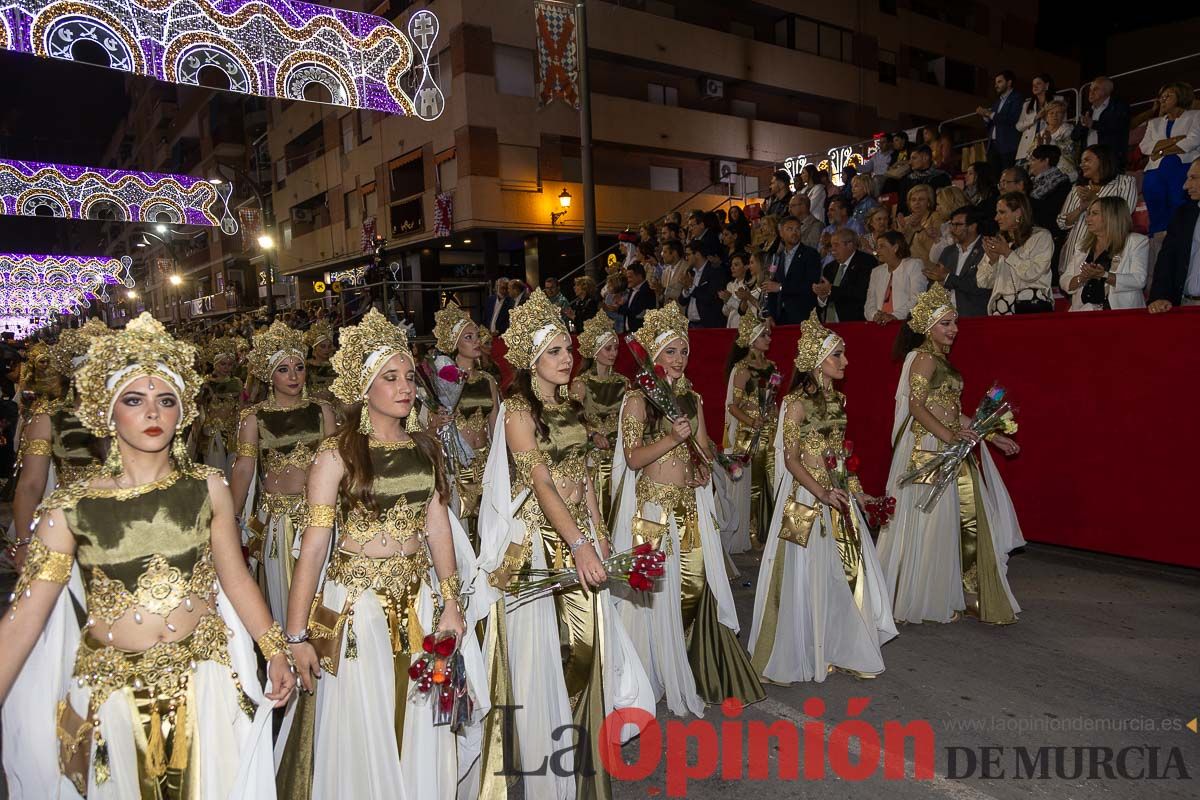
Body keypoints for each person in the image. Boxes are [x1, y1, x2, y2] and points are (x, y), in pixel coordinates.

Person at [0, 313, 292, 799]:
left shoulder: (207, 487)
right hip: (115, 700)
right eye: (134, 400)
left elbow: (235, 578)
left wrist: (274, 647)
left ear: (182, 412)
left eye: (166, 400)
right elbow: (25, 619)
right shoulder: (70, 508)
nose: (152, 413)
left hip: (207, 684)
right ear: (108, 411)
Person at [280, 309, 487, 800]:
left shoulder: (425, 447)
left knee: (421, 713)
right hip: (358, 609)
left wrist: (452, 602)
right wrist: (295, 635)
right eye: (388, 378)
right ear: (364, 387)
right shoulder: (337, 454)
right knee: (365, 718)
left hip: (417, 602)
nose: (404, 387)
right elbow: (312, 550)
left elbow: (438, 528)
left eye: (408, 377)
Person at [476, 291, 654, 799]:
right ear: (532, 359)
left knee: (589, 649)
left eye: (566, 349)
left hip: (578, 533)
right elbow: (542, 483)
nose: (566, 358)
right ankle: (545, 760)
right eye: (554, 351)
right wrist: (577, 544)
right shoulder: (515, 410)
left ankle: (579, 752)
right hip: (540, 543)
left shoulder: (572, 404)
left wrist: (598, 531)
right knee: (552, 655)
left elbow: (585, 474)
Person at [611, 303, 765, 715]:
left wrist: (704, 467)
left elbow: (702, 445)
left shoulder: (691, 396)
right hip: (654, 508)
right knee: (650, 596)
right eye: (670, 352)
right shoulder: (636, 400)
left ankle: (687, 665)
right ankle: (647, 674)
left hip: (689, 507)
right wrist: (671, 439)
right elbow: (632, 458)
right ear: (655, 356)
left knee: (694, 589)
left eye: (684, 351)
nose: (679, 359)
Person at [748, 312, 896, 683]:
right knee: (798, 578)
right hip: (804, 498)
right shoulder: (795, 403)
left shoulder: (838, 402)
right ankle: (791, 654)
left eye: (843, 355)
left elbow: (842, 454)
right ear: (817, 363)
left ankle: (839, 646)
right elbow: (791, 459)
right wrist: (821, 493)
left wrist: (857, 493)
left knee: (844, 574)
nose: (845, 362)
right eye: (837, 356)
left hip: (837, 496)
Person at [878, 285, 1024, 625]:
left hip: (951, 446)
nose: (953, 329)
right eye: (945, 323)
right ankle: (924, 593)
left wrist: (992, 436)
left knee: (960, 521)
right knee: (932, 523)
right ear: (928, 327)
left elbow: (952, 411)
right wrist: (949, 437)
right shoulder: (923, 358)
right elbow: (916, 406)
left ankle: (959, 590)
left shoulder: (941, 361)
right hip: (929, 448)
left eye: (954, 322)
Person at [230, 321, 337, 621]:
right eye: (283, 369)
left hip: (319, 518)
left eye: (299, 367)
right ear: (269, 375)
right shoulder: (254, 418)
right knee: (283, 599)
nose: (293, 375)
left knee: (321, 595)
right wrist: (230, 520)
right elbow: (243, 470)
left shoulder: (322, 410)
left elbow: (337, 463)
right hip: (277, 521)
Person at [9, 321, 110, 563]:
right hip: (72, 527)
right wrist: (24, 541)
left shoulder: (131, 416)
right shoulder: (49, 420)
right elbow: (30, 485)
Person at [430, 304, 499, 548]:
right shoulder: (442, 381)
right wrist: (437, 420)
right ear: (454, 344)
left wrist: (501, 461)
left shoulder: (488, 380)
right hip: (458, 463)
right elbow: (428, 423)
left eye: (477, 336)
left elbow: (496, 426)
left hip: (485, 461)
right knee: (459, 524)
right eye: (468, 337)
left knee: (488, 523)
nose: (476, 341)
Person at [721, 314, 779, 554]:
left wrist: (774, 415)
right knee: (754, 484)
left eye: (768, 334)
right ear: (752, 339)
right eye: (763, 335)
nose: (769, 338)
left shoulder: (772, 367)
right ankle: (752, 531)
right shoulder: (742, 369)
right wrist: (752, 421)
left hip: (770, 432)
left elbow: (773, 398)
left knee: (770, 481)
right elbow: (732, 406)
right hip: (750, 435)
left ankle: (770, 531)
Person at [571, 313, 629, 523]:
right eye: (608, 348)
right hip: (594, 454)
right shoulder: (581, 383)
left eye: (615, 348)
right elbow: (573, 418)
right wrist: (593, 434)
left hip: (620, 453)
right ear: (595, 352)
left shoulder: (623, 382)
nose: (613, 353)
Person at [1055, 145, 1138, 278]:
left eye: (1087, 160)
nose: (1082, 165)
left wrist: (1094, 199)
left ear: (1103, 160)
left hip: (1106, 258)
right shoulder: (1078, 188)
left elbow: (1123, 213)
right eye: (1081, 161)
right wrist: (1081, 208)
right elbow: (1061, 222)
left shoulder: (1125, 182)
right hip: (1073, 256)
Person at [1060, 197, 1148, 311]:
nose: (1087, 219)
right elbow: (1064, 281)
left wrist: (1104, 275)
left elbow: (1139, 280)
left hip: (1120, 315)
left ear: (1112, 216)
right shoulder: (1082, 245)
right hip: (1083, 312)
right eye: (1088, 214)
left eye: (1094, 213)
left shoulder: (1136, 241)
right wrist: (1081, 278)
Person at [1140, 82, 1200, 236]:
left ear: (1181, 97)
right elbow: (1145, 147)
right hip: (1154, 172)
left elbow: (1192, 141)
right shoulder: (1154, 123)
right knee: (1157, 210)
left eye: (1168, 96)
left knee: (1179, 208)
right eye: (1161, 97)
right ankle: (1159, 241)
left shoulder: (1196, 116)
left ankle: (1182, 237)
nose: (1162, 100)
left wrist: (1159, 150)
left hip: (1182, 169)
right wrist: (1174, 140)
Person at [979, 192, 1055, 315]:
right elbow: (983, 282)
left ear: (1018, 212)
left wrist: (1008, 253)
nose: (996, 218)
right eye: (997, 212)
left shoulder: (1041, 237)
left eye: (1002, 212)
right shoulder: (999, 241)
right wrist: (993, 262)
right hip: (1001, 310)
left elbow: (1032, 273)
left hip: (1031, 306)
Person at [1148, 160, 1200, 313]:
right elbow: (1167, 260)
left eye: (1193, 178)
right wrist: (1159, 296)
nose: (1185, 185)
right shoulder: (1183, 214)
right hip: (1185, 306)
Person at [193, 336, 245, 477]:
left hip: (233, 433)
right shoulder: (206, 384)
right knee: (216, 472)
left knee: (233, 471)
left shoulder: (237, 383)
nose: (226, 368)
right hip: (213, 433)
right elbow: (199, 407)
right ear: (215, 364)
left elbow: (241, 406)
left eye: (229, 364)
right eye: (223, 364)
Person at [926, 205, 992, 318]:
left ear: (972, 227)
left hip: (974, 318)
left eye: (957, 225)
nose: (952, 229)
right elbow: (934, 284)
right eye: (951, 224)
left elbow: (981, 287)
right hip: (946, 319)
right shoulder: (948, 252)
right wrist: (937, 281)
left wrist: (947, 278)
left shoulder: (987, 249)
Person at [763, 215, 823, 324]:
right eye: (790, 229)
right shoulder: (777, 257)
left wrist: (781, 287)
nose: (794, 232)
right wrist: (770, 314)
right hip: (780, 318)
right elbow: (771, 287)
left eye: (797, 229)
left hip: (804, 317)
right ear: (781, 233)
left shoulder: (810, 254)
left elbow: (811, 285)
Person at [865, 231, 927, 324]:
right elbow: (870, 302)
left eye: (882, 246)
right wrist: (874, 315)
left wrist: (895, 316)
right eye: (877, 247)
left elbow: (917, 298)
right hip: (879, 324)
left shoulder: (914, 265)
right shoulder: (876, 272)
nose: (877, 251)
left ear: (895, 248)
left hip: (904, 324)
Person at [817, 228, 876, 322]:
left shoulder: (866, 262)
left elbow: (861, 293)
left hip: (854, 323)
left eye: (836, 245)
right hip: (830, 324)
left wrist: (831, 289)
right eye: (832, 245)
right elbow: (824, 301)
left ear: (850, 245)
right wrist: (822, 296)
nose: (833, 249)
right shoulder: (829, 267)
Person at [1073, 76, 1131, 172]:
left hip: (1109, 162)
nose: (1091, 92)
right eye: (1090, 89)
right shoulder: (1088, 111)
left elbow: (1117, 128)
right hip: (1088, 163)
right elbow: (1074, 136)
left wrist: (1093, 124)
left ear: (1107, 91)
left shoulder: (1119, 107)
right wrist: (1083, 125)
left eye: (1095, 89)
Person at [978, 69, 1023, 171]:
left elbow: (1012, 119)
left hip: (1007, 145)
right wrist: (985, 117)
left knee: (1007, 175)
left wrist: (989, 113)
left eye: (999, 82)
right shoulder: (997, 102)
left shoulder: (1017, 97)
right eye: (995, 82)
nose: (996, 85)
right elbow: (992, 122)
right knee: (993, 177)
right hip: (993, 145)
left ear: (1009, 82)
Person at [678, 241, 729, 328]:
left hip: (708, 325)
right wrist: (686, 289)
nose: (686, 258)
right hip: (690, 324)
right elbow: (682, 301)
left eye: (688, 254)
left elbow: (710, 297)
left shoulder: (715, 271)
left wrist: (691, 286)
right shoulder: (690, 272)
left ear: (697, 254)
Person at [1027, 144, 1073, 235]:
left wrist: (1026, 199)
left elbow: (1050, 210)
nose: (1029, 163)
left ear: (1045, 161)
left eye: (1033, 160)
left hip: (1049, 232)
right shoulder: (1032, 183)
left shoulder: (1061, 183)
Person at [898, 184, 943, 269]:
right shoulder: (905, 221)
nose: (916, 203)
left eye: (921, 199)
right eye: (913, 200)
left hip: (929, 268)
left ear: (929, 202)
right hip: (908, 268)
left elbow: (936, 246)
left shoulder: (936, 217)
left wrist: (918, 228)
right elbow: (899, 250)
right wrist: (903, 231)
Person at [1015, 73, 1057, 163]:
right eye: (1033, 85)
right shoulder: (1027, 104)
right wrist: (1034, 118)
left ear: (1046, 85)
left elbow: (1061, 122)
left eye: (1038, 83)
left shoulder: (1057, 100)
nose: (1035, 86)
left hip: (1047, 143)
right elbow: (1018, 126)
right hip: (1027, 146)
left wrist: (1046, 118)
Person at [1035, 100, 1079, 182]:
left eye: (1058, 113)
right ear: (1046, 117)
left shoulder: (1068, 129)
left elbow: (1068, 149)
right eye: (1051, 113)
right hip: (1045, 169)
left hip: (1064, 169)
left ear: (1063, 115)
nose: (1055, 115)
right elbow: (1033, 152)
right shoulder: (1040, 133)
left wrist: (1049, 143)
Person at [900, 146, 951, 213]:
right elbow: (902, 205)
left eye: (914, 158)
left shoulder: (942, 177)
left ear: (925, 158)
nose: (910, 162)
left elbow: (946, 202)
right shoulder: (907, 179)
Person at [819, 196, 866, 265]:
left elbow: (858, 250)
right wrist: (825, 247)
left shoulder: (856, 226)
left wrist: (832, 243)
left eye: (832, 210)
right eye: (828, 210)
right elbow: (820, 256)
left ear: (844, 211)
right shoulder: (827, 230)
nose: (828, 213)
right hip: (827, 270)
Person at [619, 262, 656, 333]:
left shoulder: (646, 291)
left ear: (639, 276)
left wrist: (618, 308)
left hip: (641, 334)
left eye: (630, 277)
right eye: (627, 277)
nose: (628, 280)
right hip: (630, 332)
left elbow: (635, 311)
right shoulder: (632, 290)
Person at [304, 322, 337, 404]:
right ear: (315, 348)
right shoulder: (307, 366)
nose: (327, 350)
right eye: (323, 346)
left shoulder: (335, 365)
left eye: (329, 346)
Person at [720, 250, 754, 327]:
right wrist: (726, 301)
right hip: (731, 325)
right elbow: (725, 312)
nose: (732, 268)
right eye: (731, 265)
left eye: (736, 265)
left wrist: (730, 299)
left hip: (745, 327)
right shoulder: (730, 285)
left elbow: (746, 310)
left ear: (746, 267)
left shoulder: (750, 285)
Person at [659, 240, 689, 304]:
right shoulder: (665, 271)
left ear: (674, 253)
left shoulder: (686, 268)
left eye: (665, 252)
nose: (662, 255)